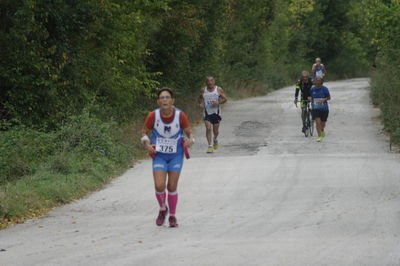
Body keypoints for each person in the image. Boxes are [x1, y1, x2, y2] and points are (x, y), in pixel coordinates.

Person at [141, 88, 195, 227]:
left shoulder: (180, 115)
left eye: (167, 97)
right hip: (159, 155)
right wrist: (147, 144)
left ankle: (172, 216)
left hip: (176, 155)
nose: (164, 100)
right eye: (162, 98)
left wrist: (190, 139)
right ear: (158, 101)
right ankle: (162, 208)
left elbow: (189, 131)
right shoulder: (153, 115)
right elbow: (143, 132)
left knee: (171, 186)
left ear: (172, 100)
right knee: (159, 185)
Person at [198, 76, 227, 153]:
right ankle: (210, 146)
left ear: (214, 81)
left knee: (216, 131)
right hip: (207, 112)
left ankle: (215, 139)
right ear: (206, 82)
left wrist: (218, 102)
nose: (210, 82)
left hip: (216, 112)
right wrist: (200, 104)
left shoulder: (218, 89)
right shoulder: (203, 90)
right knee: (208, 128)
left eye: (211, 80)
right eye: (208, 81)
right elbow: (199, 99)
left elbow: (225, 99)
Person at [308, 77, 331, 142]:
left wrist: (323, 99)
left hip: (324, 109)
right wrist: (309, 98)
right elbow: (310, 96)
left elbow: (329, 98)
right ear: (314, 82)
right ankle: (319, 136)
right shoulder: (312, 89)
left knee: (322, 123)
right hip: (315, 108)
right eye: (316, 81)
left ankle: (322, 130)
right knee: (318, 123)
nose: (317, 82)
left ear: (321, 82)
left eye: (318, 81)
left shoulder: (325, 89)